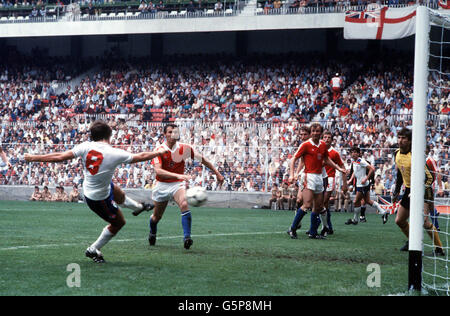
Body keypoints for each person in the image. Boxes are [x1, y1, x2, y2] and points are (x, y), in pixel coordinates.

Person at [25, 120, 167, 263]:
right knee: (119, 223)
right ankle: (93, 249)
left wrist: (33, 157)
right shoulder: (114, 152)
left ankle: (138, 207)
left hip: (96, 187)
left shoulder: (85, 146)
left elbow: (60, 157)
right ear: (109, 135)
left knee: (118, 192)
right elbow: (141, 156)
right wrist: (158, 152)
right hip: (98, 198)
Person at [140, 124, 224, 250]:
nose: (173, 134)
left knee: (184, 204)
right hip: (161, 185)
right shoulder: (159, 150)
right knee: (156, 217)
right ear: (165, 134)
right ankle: (152, 232)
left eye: (175, 132)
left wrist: (217, 173)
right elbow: (158, 171)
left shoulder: (185, 148)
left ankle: (187, 238)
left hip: (177, 184)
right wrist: (179, 175)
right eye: (170, 132)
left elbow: (203, 160)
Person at [287, 123, 347, 239]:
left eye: (317, 131)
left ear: (321, 132)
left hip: (319, 177)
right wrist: (292, 174)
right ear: (311, 133)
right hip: (308, 176)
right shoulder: (305, 145)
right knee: (307, 203)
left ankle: (313, 233)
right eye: (313, 131)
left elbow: (326, 159)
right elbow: (294, 158)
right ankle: (293, 228)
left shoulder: (323, 145)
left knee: (318, 207)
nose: (315, 133)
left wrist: (338, 168)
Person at [392, 128, 444, 255]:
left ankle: (439, 248)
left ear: (410, 141)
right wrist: (397, 191)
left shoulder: (416, 155)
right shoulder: (397, 153)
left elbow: (429, 177)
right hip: (409, 190)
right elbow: (400, 173)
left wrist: (418, 189)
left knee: (425, 223)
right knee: (399, 220)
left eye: (404, 138)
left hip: (423, 190)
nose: (400, 140)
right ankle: (413, 242)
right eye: (399, 137)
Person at [345, 146, 388, 225]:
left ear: (358, 153)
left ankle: (355, 220)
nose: (353, 154)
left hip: (363, 185)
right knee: (367, 201)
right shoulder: (354, 161)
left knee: (356, 201)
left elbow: (372, 168)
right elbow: (355, 171)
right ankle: (383, 212)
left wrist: (366, 178)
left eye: (355, 152)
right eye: (352, 152)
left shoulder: (361, 160)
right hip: (360, 184)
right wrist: (351, 179)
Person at [320, 130, 347, 236]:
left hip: (330, 179)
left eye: (329, 138)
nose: (326, 139)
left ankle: (323, 228)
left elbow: (342, 166)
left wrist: (344, 183)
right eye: (325, 137)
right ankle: (328, 227)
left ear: (332, 140)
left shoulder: (334, 153)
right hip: (318, 178)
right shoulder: (319, 150)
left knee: (323, 202)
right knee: (323, 205)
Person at [426, 145, 443, 230]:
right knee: (429, 206)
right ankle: (436, 226)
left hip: (430, 186)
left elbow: (438, 172)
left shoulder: (430, 160)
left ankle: (435, 214)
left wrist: (440, 187)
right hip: (422, 186)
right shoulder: (418, 160)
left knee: (427, 205)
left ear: (427, 151)